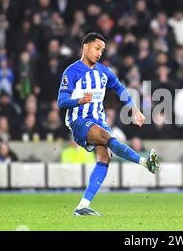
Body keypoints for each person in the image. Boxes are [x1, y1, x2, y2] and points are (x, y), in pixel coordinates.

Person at [57, 33, 160, 216]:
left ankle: (82, 206)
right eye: (97, 48)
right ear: (86, 47)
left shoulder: (104, 72)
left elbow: (120, 89)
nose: (99, 53)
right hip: (79, 120)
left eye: (102, 50)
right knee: (106, 137)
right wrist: (79, 100)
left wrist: (134, 109)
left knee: (104, 157)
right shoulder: (72, 71)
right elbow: (61, 101)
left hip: (99, 120)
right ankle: (145, 163)